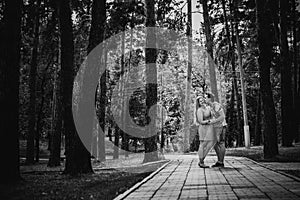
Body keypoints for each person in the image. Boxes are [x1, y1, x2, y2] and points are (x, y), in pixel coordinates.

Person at [205, 93, 227, 168]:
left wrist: (213, 121)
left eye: (206, 98)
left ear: (210, 99)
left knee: (221, 143)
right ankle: (219, 161)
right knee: (215, 144)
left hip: (221, 126)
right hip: (215, 127)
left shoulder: (216, 105)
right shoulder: (210, 107)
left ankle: (221, 162)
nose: (205, 99)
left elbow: (222, 117)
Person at [195, 96, 217, 168]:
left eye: (203, 100)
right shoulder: (199, 110)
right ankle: (201, 162)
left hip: (209, 128)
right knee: (202, 144)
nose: (202, 102)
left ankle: (202, 159)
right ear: (198, 103)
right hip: (203, 128)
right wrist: (209, 121)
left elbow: (213, 115)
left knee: (210, 143)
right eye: (200, 101)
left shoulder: (208, 108)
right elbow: (200, 121)